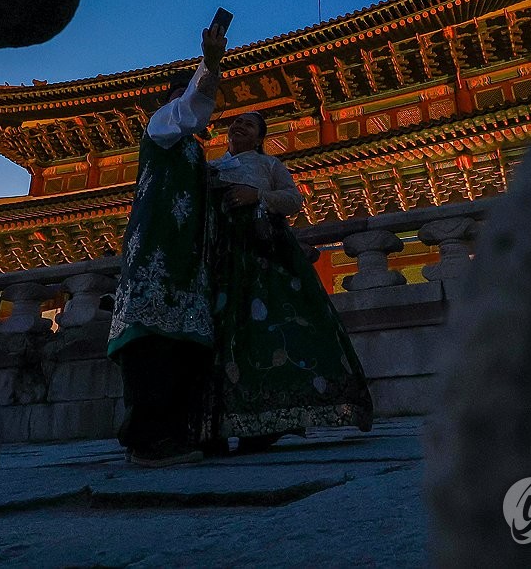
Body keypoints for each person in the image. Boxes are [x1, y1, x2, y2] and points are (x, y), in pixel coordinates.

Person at [207, 111, 373, 451]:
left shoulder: (269, 165)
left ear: (259, 138)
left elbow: (294, 200)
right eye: (234, 123)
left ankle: (271, 417)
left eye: (248, 125)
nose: (238, 127)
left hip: (265, 258)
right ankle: (219, 422)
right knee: (224, 335)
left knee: (270, 333)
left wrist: (259, 197)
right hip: (222, 259)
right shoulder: (212, 168)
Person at [107, 23, 227, 467]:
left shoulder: (195, 152)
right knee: (152, 341)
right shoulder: (162, 124)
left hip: (186, 256)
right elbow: (191, 109)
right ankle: (146, 439)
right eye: (190, 92)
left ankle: (180, 433)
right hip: (156, 252)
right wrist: (210, 65)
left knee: (183, 343)